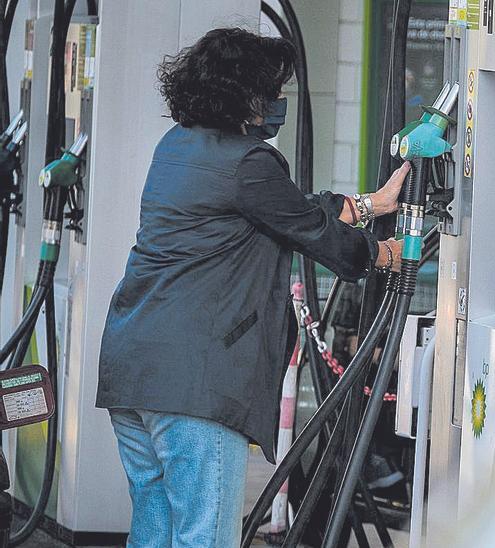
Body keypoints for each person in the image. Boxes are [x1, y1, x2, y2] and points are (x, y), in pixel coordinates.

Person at [95, 28, 404, 547]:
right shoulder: (248, 163)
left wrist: (369, 204)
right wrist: (383, 254)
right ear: (246, 95)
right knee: (204, 538)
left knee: (155, 532)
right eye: (274, 90)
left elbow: (286, 210)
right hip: (195, 384)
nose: (279, 102)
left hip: (134, 369)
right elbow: (307, 228)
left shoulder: (176, 146)